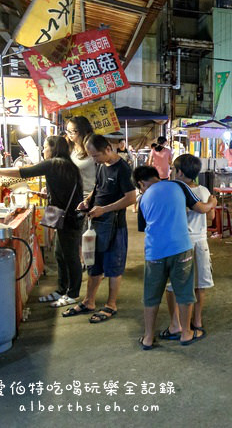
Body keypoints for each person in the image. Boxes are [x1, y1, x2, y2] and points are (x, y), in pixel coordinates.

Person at [0, 136, 83, 307]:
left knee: (70, 256)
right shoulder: (65, 165)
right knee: (60, 253)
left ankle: (72, 294)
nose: (43, 150)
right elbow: (64, 191)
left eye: (45, 147)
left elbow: (23, 172)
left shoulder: (54, 163)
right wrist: (47, 194)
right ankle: (62, 290)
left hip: (69, 218)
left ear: (54, 148)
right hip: (66, 215)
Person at [62, 134, 136, 323]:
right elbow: (98, 188)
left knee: (113, 266)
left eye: (96, 156)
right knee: (94, 264)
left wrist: (105, 209)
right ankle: (89, 301)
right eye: (91, 156)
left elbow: (131, 198)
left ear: (108, 150)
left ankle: (111, 305)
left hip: (114, 225)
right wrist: (88, 201)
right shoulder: (102, 166)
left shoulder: (123, 169)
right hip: (96, 222)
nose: (94, 160)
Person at [133, 166, 205, 349]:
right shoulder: (178, 186)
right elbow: (199, 207)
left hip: (155, 252)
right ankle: (186, 333)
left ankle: (148, 337)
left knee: (151, 295)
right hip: (180, 248)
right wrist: (211, 203)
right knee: (184, 291)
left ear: (141, 184)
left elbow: (144, 227)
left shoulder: (142, 199)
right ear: (157, 176)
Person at [161, 155, 217, 341]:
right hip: (200, 241)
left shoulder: (173, 190)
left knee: (173, 285)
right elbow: (211, 218)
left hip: (178, 242)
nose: (170, 172)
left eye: (172, 169)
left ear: (180, 172)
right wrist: (211, 204)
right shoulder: (204, 191)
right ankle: (197, 321)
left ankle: (175, 323)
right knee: (199, 284)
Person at [66, 116, 96, 201]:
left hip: (90, 198)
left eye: (73, 131)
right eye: (68, 131)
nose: (69, 134)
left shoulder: (93, 149)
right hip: (74, 197)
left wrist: (89, 198)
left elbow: (102, 180)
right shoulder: (70, 148)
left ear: (83, 130)